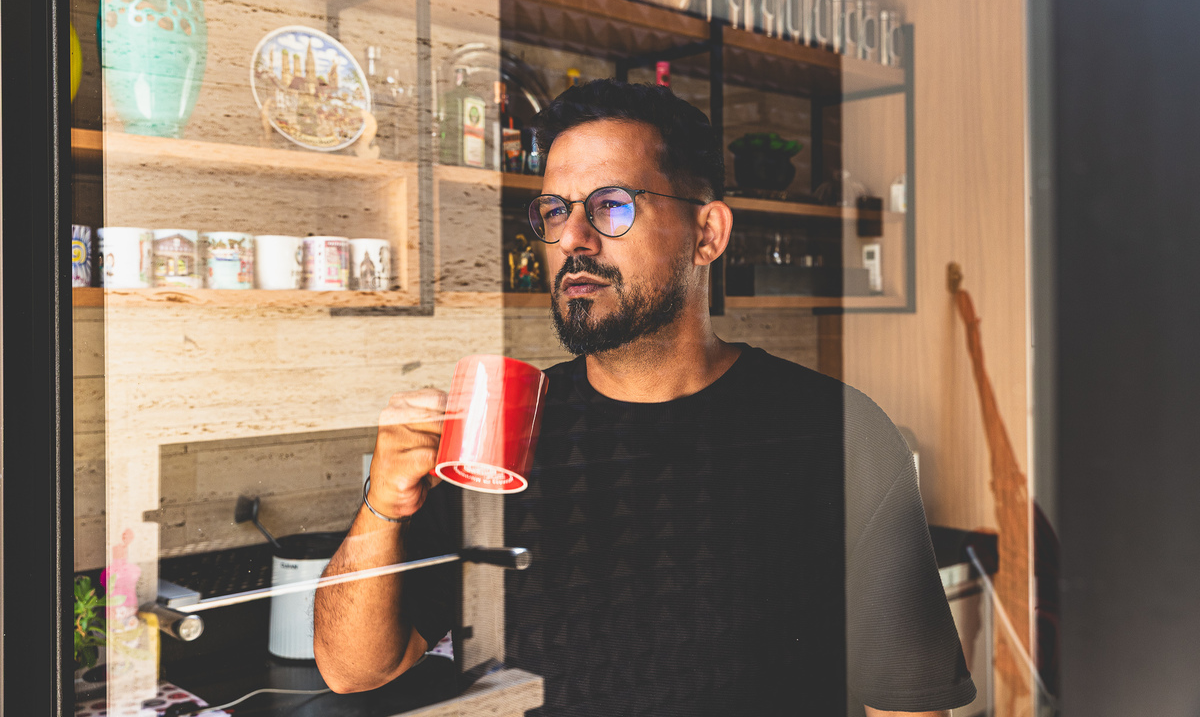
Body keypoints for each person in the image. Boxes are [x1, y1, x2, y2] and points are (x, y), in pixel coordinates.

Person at [314, 80, 976, 716]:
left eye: (611, 206)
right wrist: (385, 503)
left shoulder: (837, 434)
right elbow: (354, 670)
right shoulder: (508, 434)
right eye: (555, 211)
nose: (572, 239)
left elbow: (907, 707)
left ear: (707, 234)